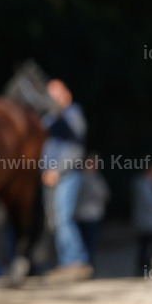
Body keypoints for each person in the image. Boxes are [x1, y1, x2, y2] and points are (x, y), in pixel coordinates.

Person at [40, 78, 92, 280]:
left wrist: (57, 171)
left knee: (63, 218)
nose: (51, 99)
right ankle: (66, 263)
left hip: (66, 175)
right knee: (54, 221)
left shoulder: (73, 113)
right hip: (48, 177)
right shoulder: (49, 118)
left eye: (55, 95)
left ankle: (76, 261)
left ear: (66, 95)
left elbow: (77, 147)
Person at [74, 153, 110, 272]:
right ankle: (82, 265)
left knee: (90, 244)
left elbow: (105, 195)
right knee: (82, 243)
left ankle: (88, 266)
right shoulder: (78, 177)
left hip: (93, 216)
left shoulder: (96, 178)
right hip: (81, 215)